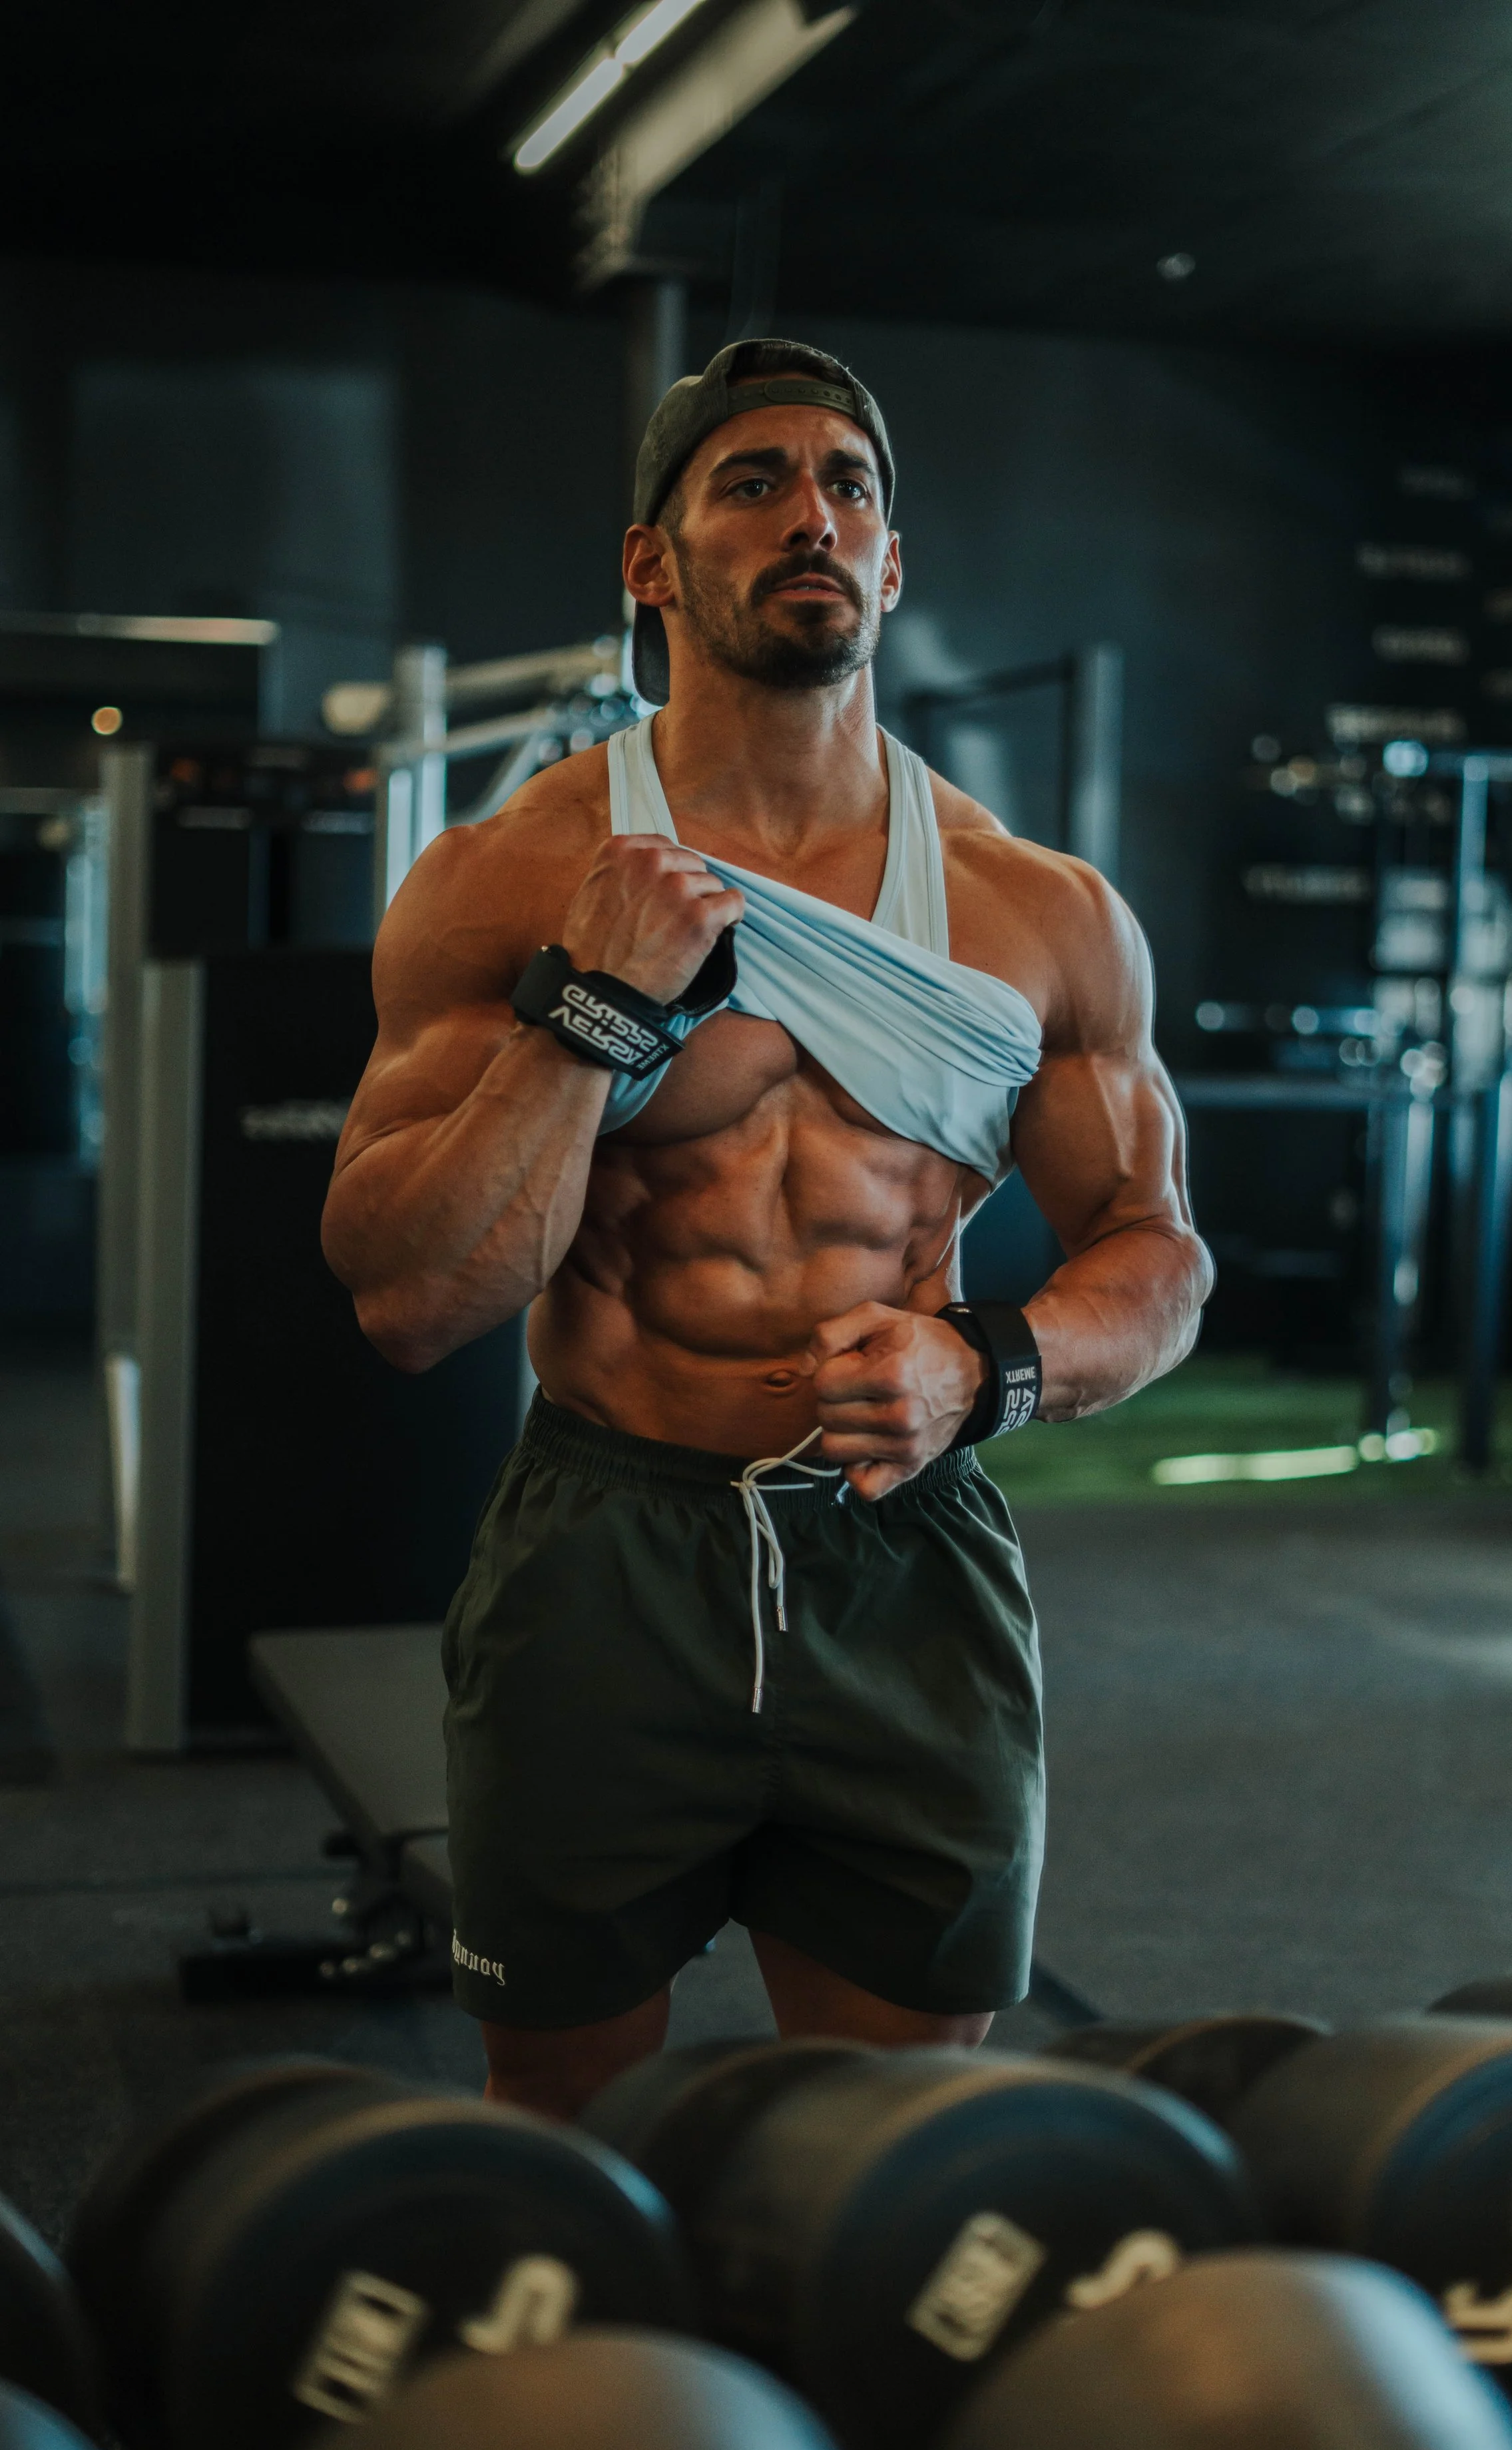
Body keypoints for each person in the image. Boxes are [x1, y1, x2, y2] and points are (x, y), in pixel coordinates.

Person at [321, 338, 1209, 2120]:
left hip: (902, 1551)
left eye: (849, 487)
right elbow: (411, 1292)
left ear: (890, 566)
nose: (812, 513)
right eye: (752, 481)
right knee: (556, 2119)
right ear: (652, 562)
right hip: (606, 1545)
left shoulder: (1039, 914)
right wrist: (591, 1010)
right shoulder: (510, 875)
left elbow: (1155, 1253)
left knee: (893, 2139)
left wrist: (986, 1363)